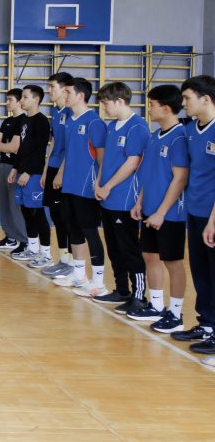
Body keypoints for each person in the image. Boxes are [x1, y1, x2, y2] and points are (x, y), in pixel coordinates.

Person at [86, 82, 150, 306]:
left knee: (129, 249)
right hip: (107, 198)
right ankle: (121, 290)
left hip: (124, 199)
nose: (103, 107)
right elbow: (105, 160)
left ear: (120, 101)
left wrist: (108, 186)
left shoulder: (137, 127)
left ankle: (139, 296)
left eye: (105, 103)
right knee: (114, 249)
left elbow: (132, 163)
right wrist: (98, 183)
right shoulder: (112, 126)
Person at [131, 84, 188, 333]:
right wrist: (140, 201)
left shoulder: (179, 137)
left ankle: (176, 314)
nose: (149, 109)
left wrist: (161, 212)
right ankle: (156, 305)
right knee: (150, 256)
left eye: (152, 105)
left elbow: (180, 178)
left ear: (166, 108)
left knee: (172, 262)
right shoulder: (155, 136)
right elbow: (148, 174)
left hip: (170, 213)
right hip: (150, 209)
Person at [172, 75, 215, 354]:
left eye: (187, 98)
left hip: (212, 216)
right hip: (195, 211)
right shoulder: (190, 130)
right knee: (201, 272)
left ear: (206, 99)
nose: (183, 103)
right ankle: (207, 324)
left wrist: (213, 220)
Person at [52, 78, 107, 291]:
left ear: (81, 95)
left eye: (67, 92)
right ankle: (79, 275)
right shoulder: (70, 120)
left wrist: (100, 184)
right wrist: (61, 174)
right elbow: (70, 152)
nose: (63, 96)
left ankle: (98, 282)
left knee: (90, 232)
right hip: (70, 186)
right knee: (73, 230)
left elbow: (102, 157)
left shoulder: (94, 122)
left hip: (87, 188)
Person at [10, 85, 52, 268]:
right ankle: (33, 248)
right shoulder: (24, 121)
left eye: (25, 97)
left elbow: (39, 151)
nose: (21, 100)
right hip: (22, 172)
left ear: (36, 99)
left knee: (37, 212)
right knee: (26, 211)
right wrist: (15, 168)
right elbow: (22, 148)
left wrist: (28, 172)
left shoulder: (42, 122)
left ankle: (46, 253)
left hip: (34, 174)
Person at [41, 72, 77, 278]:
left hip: (66, 169)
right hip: (54, 167)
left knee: (66, 216)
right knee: (55, 215)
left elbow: (71, 147)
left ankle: (72, 262)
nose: (49, 91)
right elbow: (54, 142)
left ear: (64, 89)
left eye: (52, 86)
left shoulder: (72, 112)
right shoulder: (55, 111)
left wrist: (61, 173)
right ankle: (63, 260)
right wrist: (47, 170)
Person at [0, 88, 28, 252]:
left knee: (15, 204)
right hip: (3, 165)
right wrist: (2, 146)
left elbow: (14, 148)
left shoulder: (23, 121)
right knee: (3, 203)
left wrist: (1, 146)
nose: (7, 103)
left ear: (19, 102)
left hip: (16, 167)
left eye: (10, 99)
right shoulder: (6, 121)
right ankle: (10, 237)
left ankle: (24, 240)